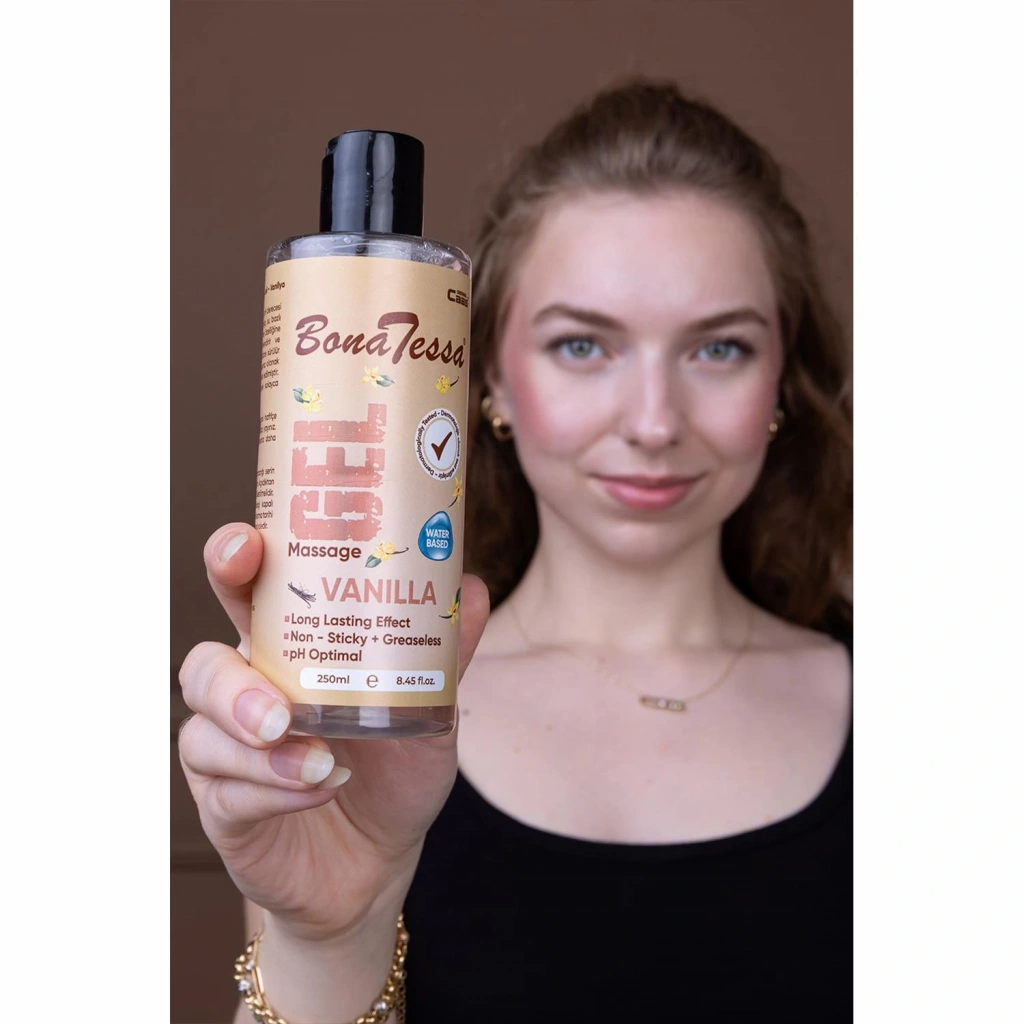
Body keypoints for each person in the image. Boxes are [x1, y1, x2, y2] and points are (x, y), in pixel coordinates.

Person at [178, 79, 852, 1023]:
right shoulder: (347, 732)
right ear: (486, 371)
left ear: (782, 376)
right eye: (582, 345)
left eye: (719, 349)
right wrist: (328, 938)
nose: (653, 423)